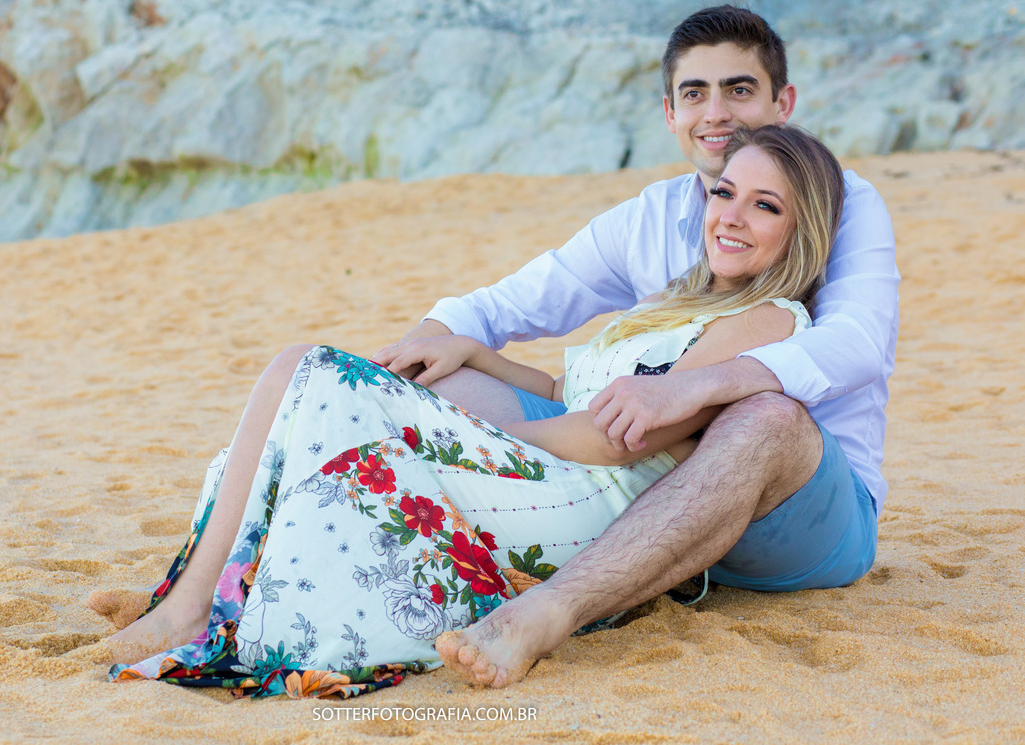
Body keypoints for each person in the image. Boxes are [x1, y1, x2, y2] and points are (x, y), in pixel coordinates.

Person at [98, 124, 848, 698]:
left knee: (315, 368)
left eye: (765, 205)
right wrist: (475, 355)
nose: (733, 215)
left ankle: (196, 607)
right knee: (307, 378)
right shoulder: (681, 299)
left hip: (589, 498)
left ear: (800, 228)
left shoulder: (768, 320)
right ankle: (210, 591)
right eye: (726, 193)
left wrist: (474, 440)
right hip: (557, 462)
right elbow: (570, 393)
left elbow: (624, 437)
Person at [387, 5, 899, 688]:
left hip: (799, 509)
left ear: (785, 103)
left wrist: (697, 386)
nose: (717, 113)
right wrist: (439, 333)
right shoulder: (652, 218)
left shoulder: (843, 202)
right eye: (696, 93)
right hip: (653, 492)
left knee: (767, 417)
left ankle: (548, 611)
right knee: (448, 381)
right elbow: (511, 302)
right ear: (670, 113)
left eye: (739, 90)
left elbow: (858, 342)